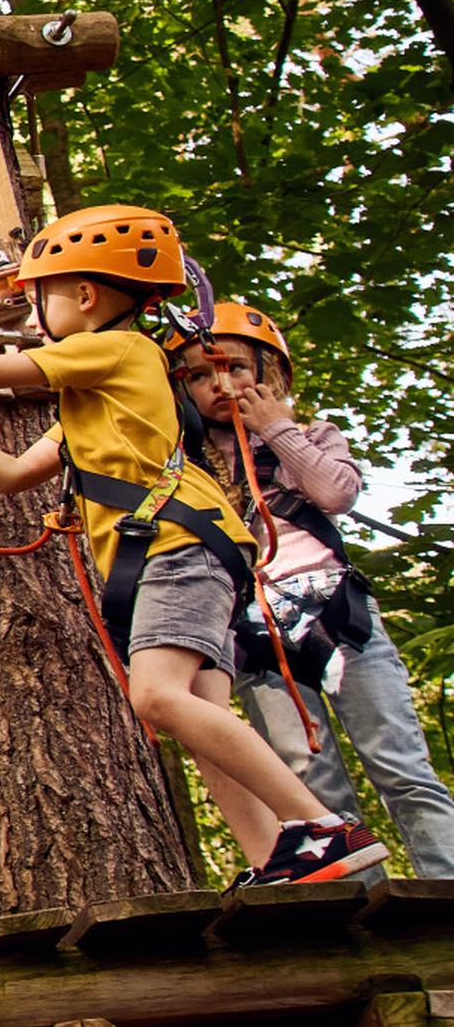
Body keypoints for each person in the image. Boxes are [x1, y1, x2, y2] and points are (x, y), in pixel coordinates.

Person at [0, 203, 384, 885]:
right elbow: (13, 476)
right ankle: (272, 860)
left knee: (157, 698)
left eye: (39, 300)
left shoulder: (120, 348)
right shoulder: (102, 395)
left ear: (84, 295)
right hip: (194, 548)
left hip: (177, 546)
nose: (36, 317)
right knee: (200, 715)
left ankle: (321, 827)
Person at [169, 300, 454, 879]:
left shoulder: (311, 435)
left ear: (269, 374)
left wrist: (275, 428)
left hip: (339, 616)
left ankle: (445, 879)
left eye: (235, 367)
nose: (220, 383)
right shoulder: (188, 465)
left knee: (400, 765)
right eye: (198, 375)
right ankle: (360, 908)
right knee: (306, 775)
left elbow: (335, 495)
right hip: (255, 630)